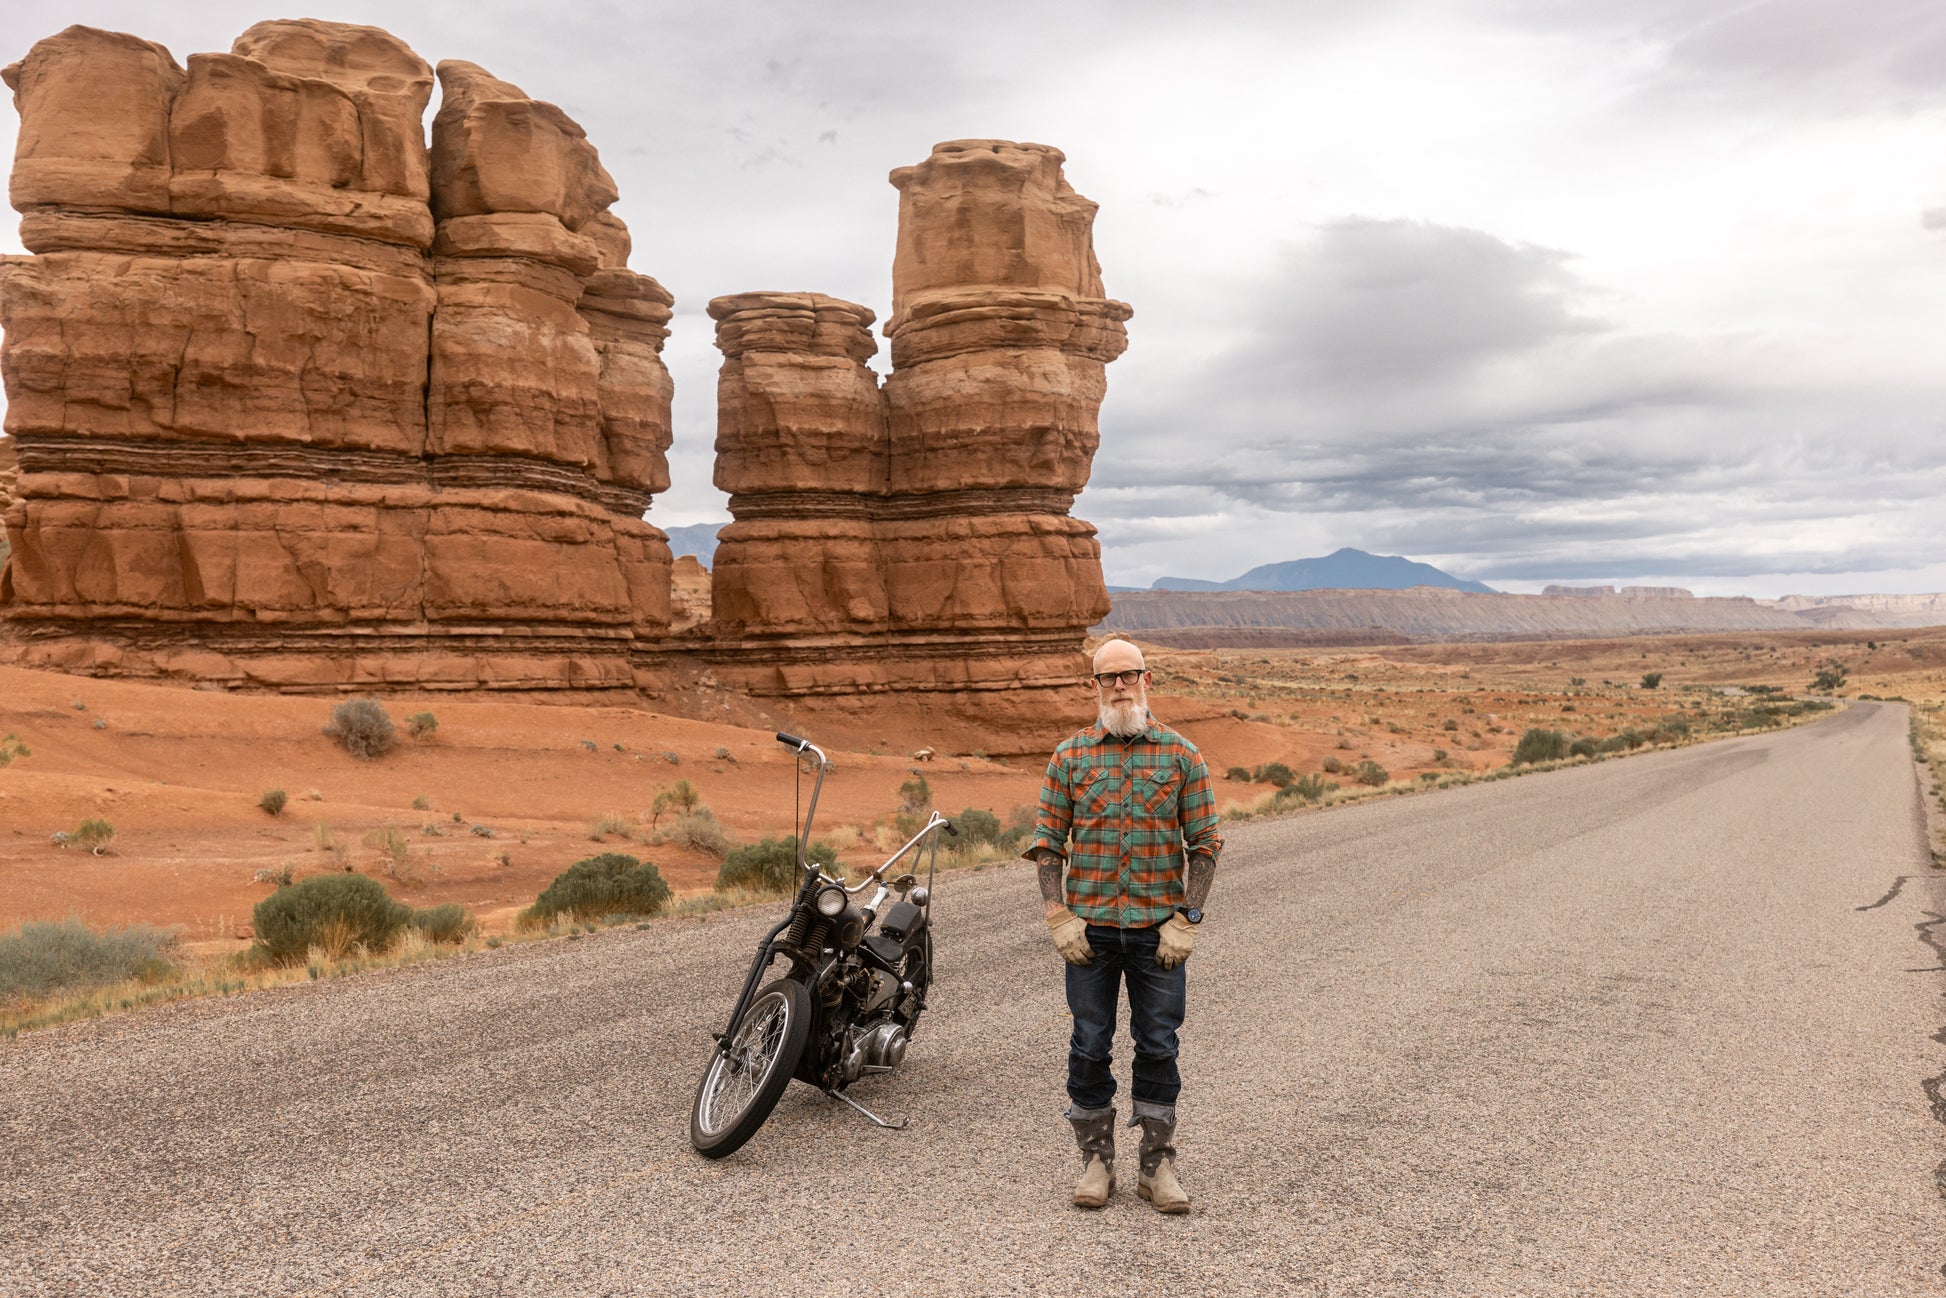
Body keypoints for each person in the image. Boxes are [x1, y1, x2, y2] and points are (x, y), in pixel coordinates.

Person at [1029, 637, 1222, 1213]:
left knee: (1158, 1044)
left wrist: (1188, 918)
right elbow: (1047, 844)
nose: (1119, 686)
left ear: (1147, 679)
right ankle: (1095, 1161)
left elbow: (1206, 844)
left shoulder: (1183, 757)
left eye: (1129, 675)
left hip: (1157, 932)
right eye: (1108, 677)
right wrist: (1056, 913)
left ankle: (1157, 1166)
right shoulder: (1068, 758)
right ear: (1094, 685)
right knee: (1089, 1044)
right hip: (1087, 933)